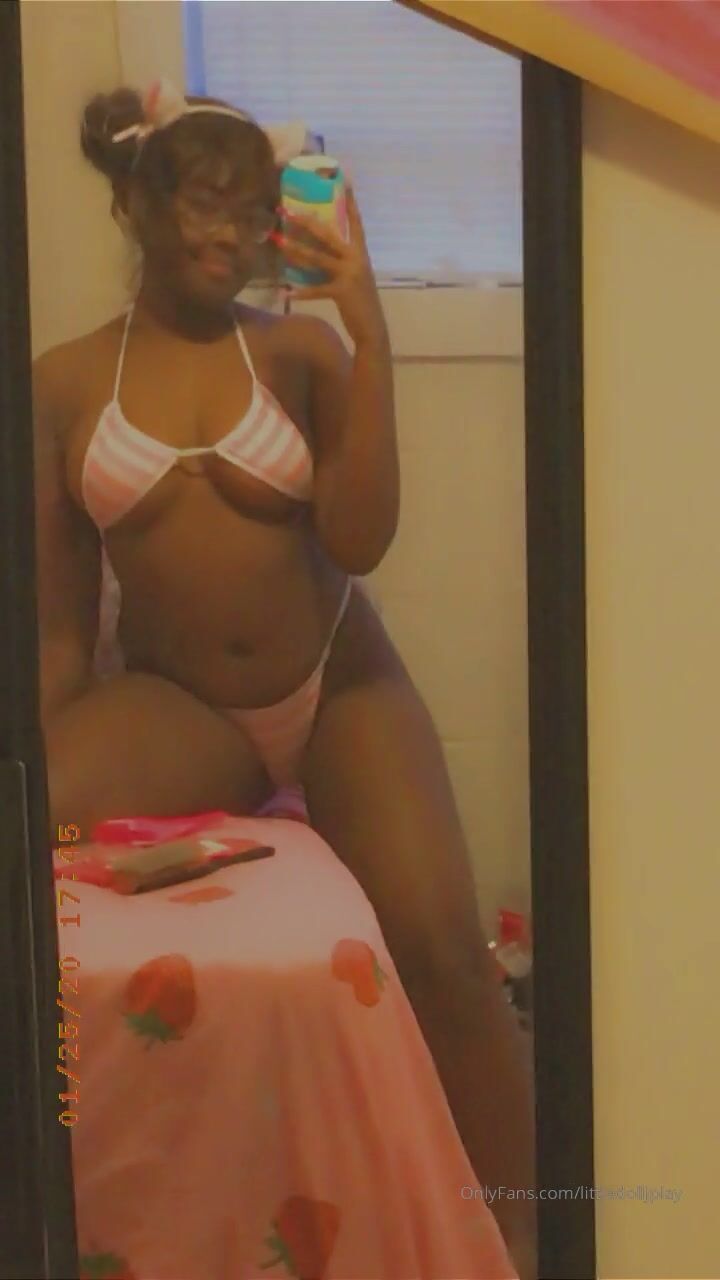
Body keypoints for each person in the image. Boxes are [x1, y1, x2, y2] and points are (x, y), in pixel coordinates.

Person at [34, 83, 536, 1277]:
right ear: (133, 203)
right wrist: (52, 751)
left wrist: (370, 329)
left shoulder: (300, 351)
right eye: (199, 207)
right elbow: (60, 626)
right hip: (183, 705)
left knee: (445, 951)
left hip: (335, 685)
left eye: (248, 213)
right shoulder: (62, 383)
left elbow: (361, 540)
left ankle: (531, 1226)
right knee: (26, 813)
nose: (227, 236)